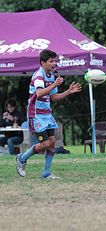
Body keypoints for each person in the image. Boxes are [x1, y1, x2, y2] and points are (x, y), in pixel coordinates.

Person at [15, 49, 81, 179]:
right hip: (36, 114)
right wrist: (55, 84)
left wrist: (68, 91)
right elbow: (39, 93)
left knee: (52, 142)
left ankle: (46, 173)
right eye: (51, 61)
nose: (54, 63)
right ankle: (22, 158)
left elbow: (54, 97)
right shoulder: (38, 75)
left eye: (55, 61)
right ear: (43, 63)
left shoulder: (51, 76)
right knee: (45, 144)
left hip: (47, 114)